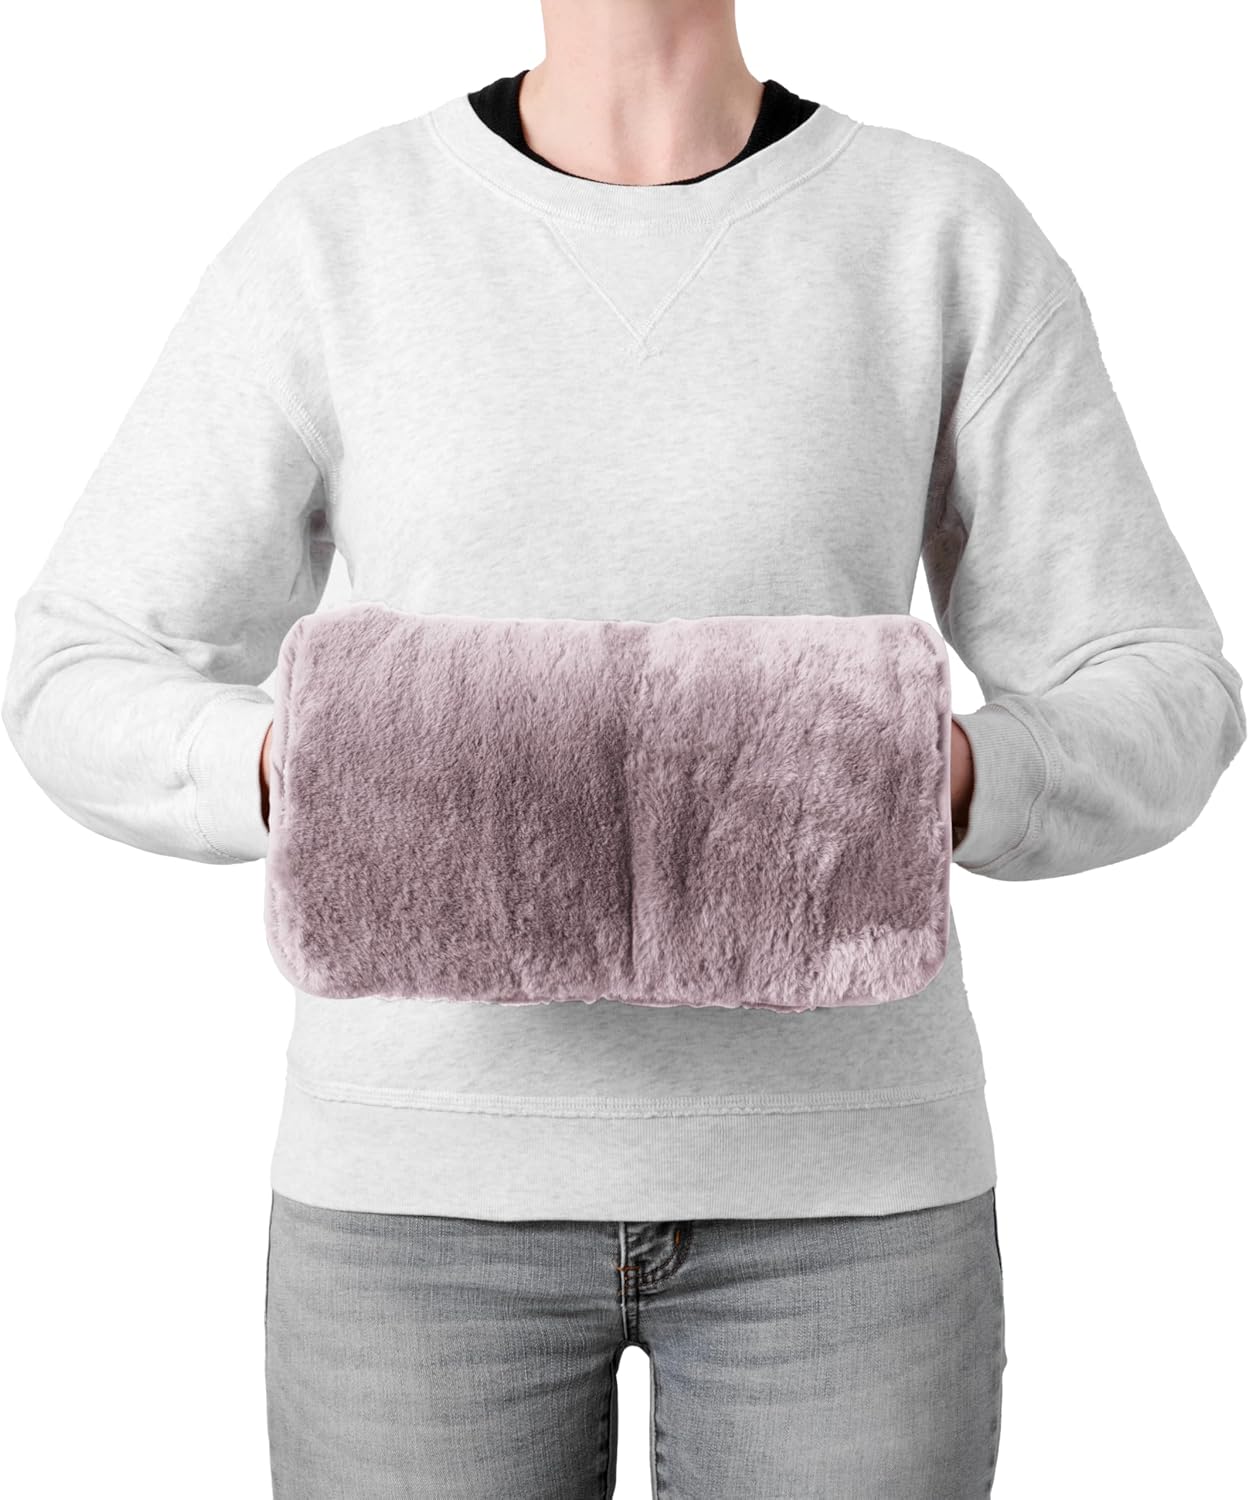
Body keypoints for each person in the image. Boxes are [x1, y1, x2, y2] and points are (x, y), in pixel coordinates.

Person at [4, 3, 1244, 1497]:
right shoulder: (340, 231)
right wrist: (326, 768)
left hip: (848, 1205)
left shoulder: (936, 228)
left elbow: (1163, 687)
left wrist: (928, 776)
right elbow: (77, 667)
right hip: (415, 1207)